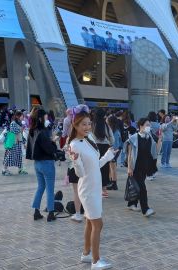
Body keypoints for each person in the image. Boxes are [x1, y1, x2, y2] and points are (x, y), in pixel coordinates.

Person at [68, 105, 116, 270]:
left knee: (90, 222)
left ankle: (86, 254)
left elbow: (95, 164)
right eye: (84, 124)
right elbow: (81, 172)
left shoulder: (90, 139)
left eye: (89, 124)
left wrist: (108, 156)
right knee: (98, 224)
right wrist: (75, 161)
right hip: (87, 189)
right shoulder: (75, 145)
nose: (87, 127)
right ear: (75, 126)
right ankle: (95, 261)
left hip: (95, 187)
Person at [26, 109, 58, 222]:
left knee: (40, 187)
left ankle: (36, 211)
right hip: (47, 163)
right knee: (50, 188)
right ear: (40, 118)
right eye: (45, 117)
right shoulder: (42, 131)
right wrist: (54, 141)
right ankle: (51, 213)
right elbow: (50, 149)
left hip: (37, 163)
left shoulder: (32, 130)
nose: (47, 119)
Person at [127, 118, 157, 217]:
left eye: (149, 125)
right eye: (147, 125)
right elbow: (130, 154)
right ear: (141, 126)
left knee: (137, 186)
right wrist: (129, 167)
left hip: (145, 166)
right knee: (142, 188)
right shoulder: (134, 138)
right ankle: (145, 209)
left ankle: (132, 203)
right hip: (136, 167)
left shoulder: (149, 137)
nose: (149, 127)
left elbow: (154, 151)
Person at [92, 109, 114, 198]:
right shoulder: (106, 125)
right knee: (105, 168)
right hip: (105, 147)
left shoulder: (92, 124)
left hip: (94, 147)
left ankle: (95, 188)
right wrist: (110, 143)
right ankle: (104, 190)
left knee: (94, 168)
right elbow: (112, 138)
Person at [2, 111, 27, 176]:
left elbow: (21, 134)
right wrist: (21, 129)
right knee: (9, 156)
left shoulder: (19, 123)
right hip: (12, 143)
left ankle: (20, 169)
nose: (23, 117)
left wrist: (24, 142)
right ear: (17, 116)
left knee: (19, 157)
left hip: (18, 143)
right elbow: (14, 131)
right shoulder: (13, 123)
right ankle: (4, 170)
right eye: (21, 116)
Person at [107, 115, 122, 191]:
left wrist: (113, 153)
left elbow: (115, 144)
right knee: (111, 167)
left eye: (107, 121)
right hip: (114, 151)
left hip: (114, 151)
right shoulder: (115, 130)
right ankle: (111, 182)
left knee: (113, 168)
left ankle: (114, 183)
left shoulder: (115, 132)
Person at [146, 111, 160, 181]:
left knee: (149, 158)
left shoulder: (148, 124)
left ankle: (149, 174)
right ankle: (153, 172)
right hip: (157, 142)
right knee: (155, 157)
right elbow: (160, 134)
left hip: (149, 142)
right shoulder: (158, 124)